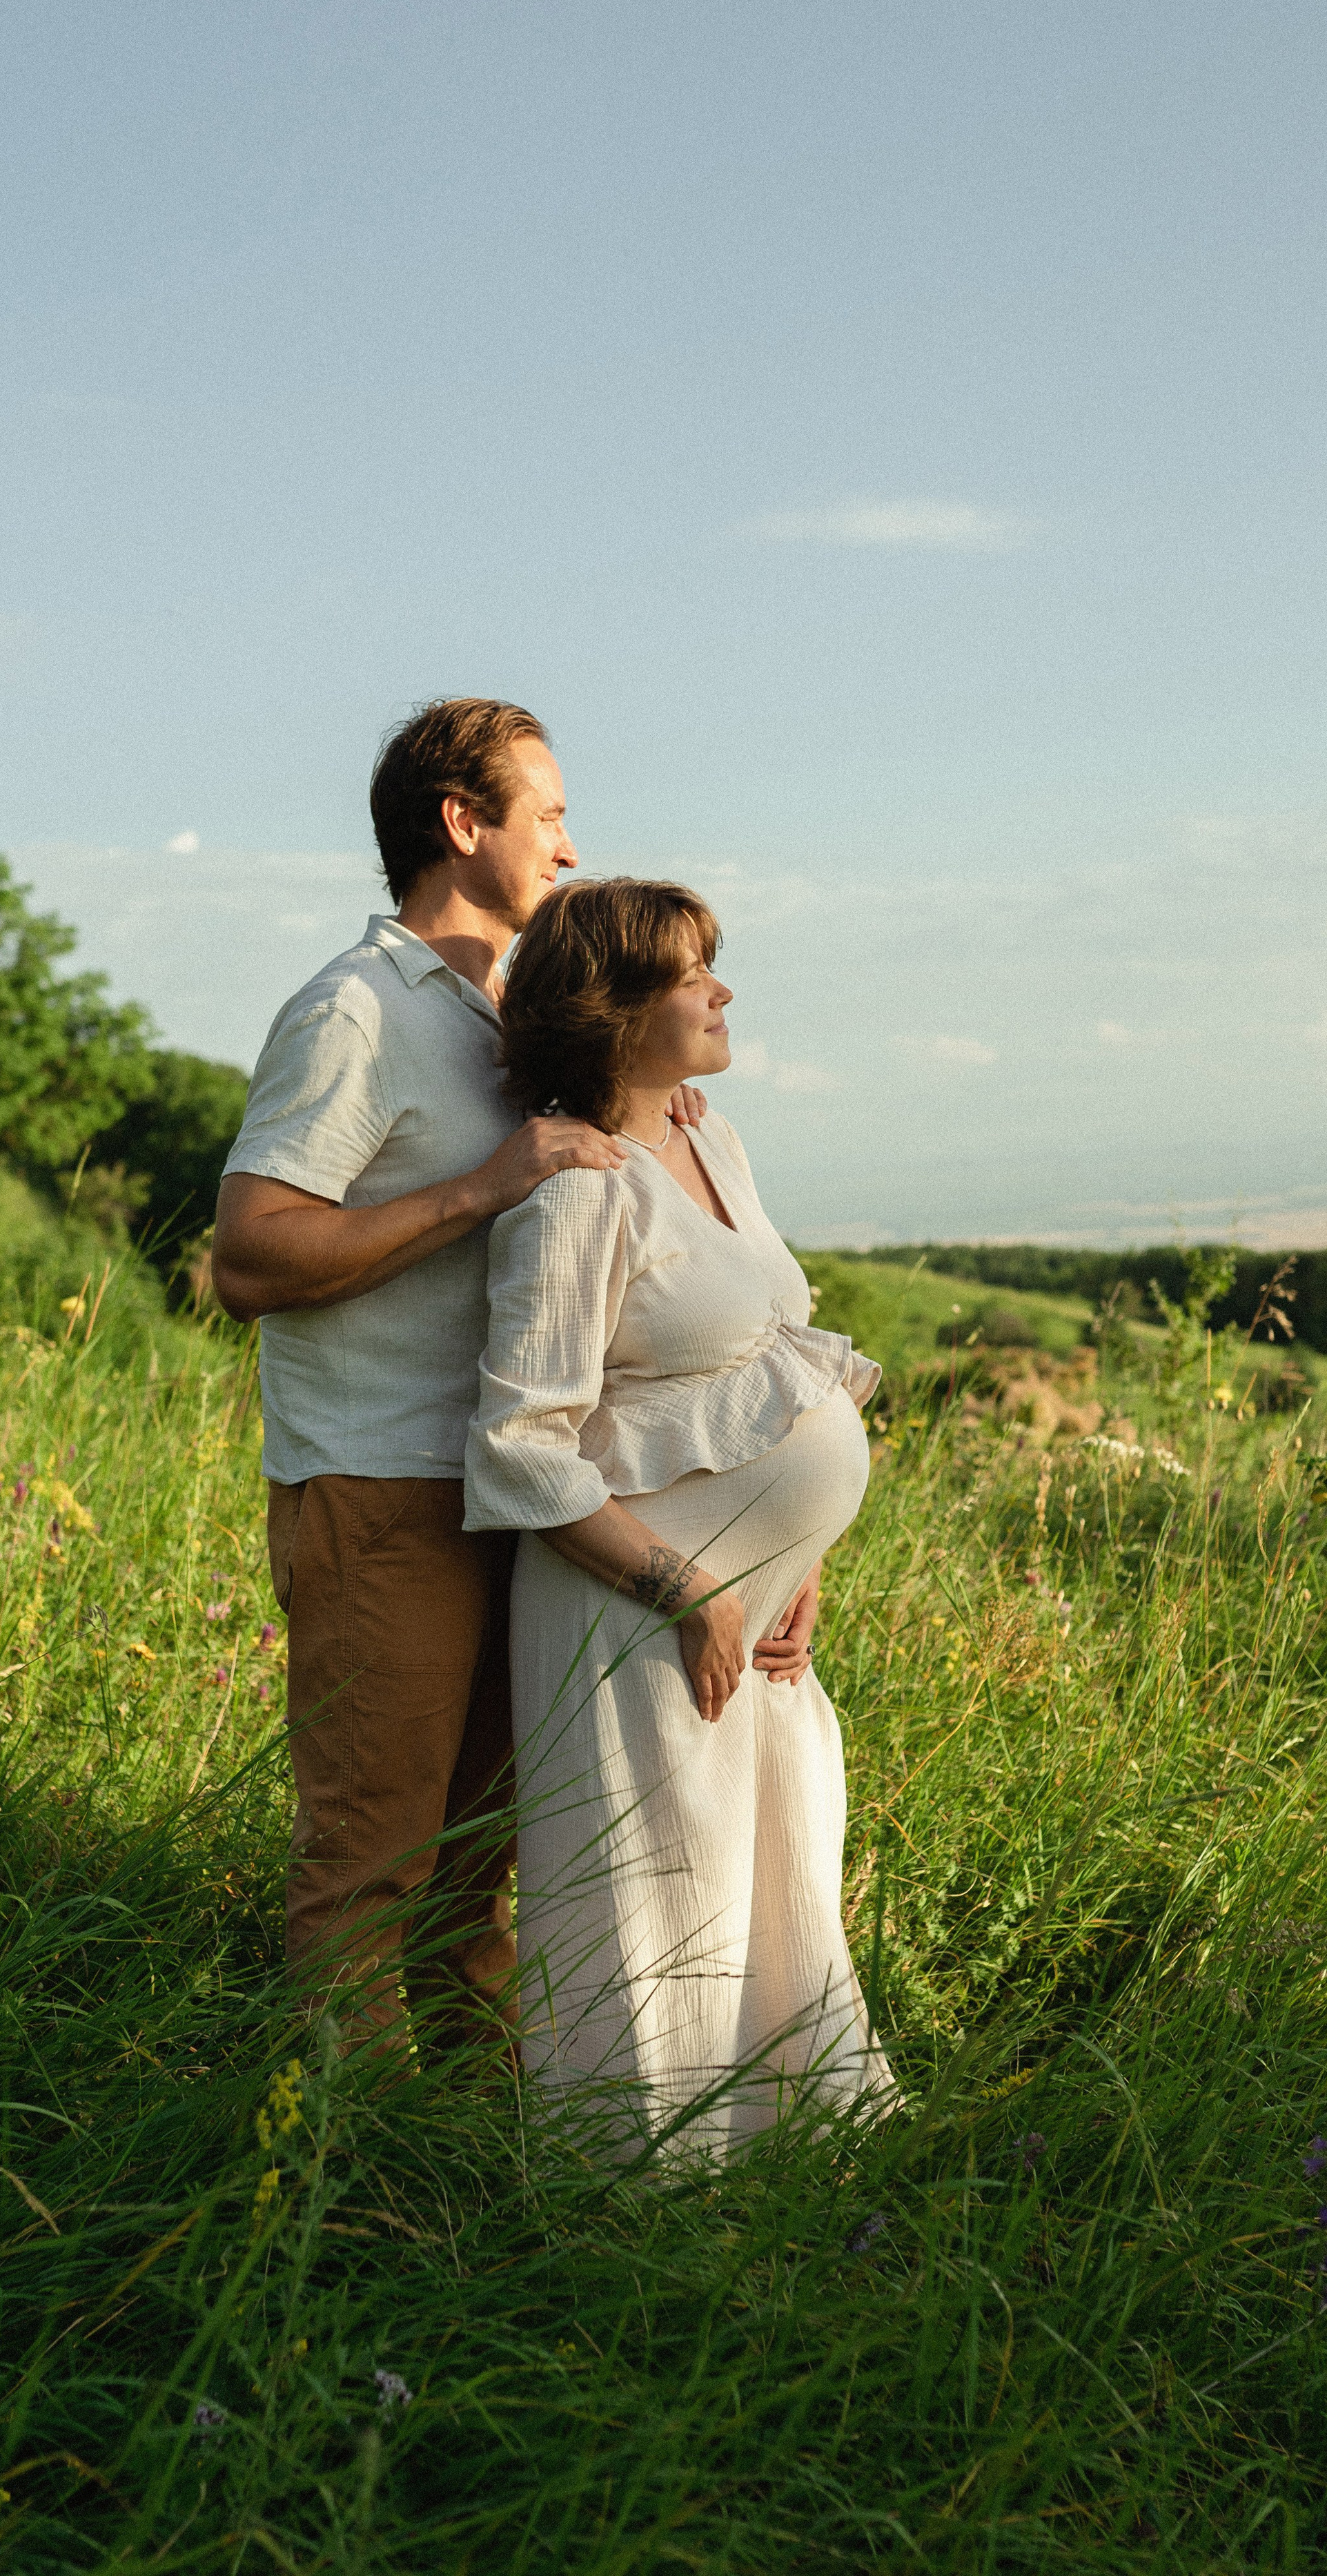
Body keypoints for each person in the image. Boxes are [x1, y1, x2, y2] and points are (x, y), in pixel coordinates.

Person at [210, 700, 703, 2054]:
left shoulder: (517, 1012)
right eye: (546, 811)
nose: (568, 839)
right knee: (370, 1875)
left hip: (521, 1494)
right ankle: (342, 2214)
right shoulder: (354, 1011)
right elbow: (247, 1255)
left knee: (485, 1873)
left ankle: (467, 2197)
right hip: (382, 1490)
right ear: (461, 820)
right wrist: (480, 1186)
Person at [462, 878, 898, 2149]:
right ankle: (639, 2209)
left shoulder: (715, 1142)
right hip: (634, 1613)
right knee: (660, 1907)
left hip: (751, 1619)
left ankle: (784, 2177)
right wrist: (694, 1591)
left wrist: (793, 1563)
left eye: (716, 963)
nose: (721, 989)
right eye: (691, 972)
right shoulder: (577, 1194)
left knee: (774, 1874)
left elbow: (776, 1369)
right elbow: (520, 1450)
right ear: (610, 1009)